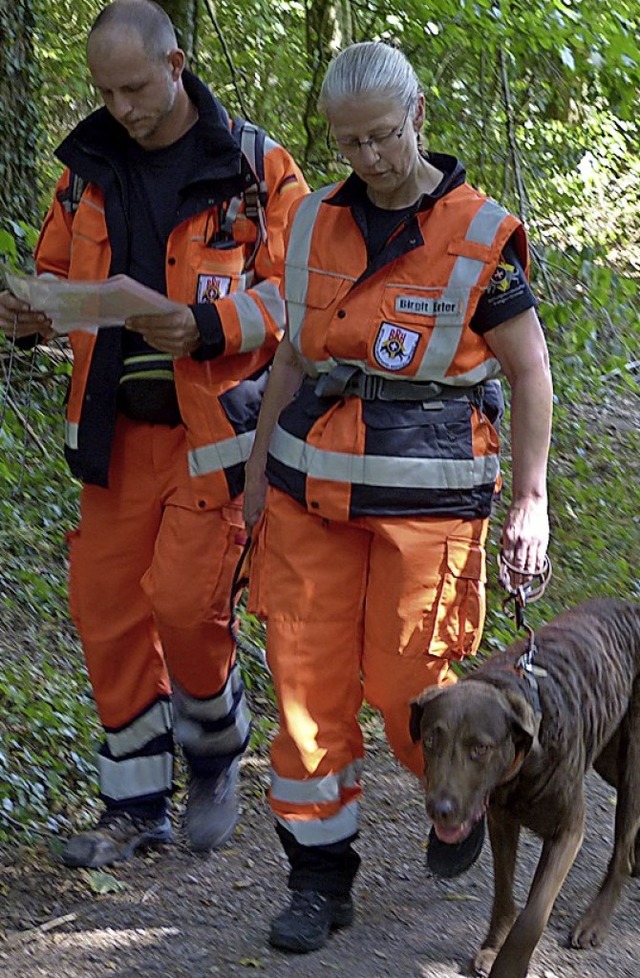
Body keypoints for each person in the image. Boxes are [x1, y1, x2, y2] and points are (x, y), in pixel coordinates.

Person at [242, 41, 552, 953]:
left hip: (429, 503)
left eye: (382, 135)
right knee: (306, 694)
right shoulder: (308, 225)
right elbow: (293, 354)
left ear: (417, 116)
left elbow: (530, 374)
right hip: (307, 492)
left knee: (413, 687)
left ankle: (454, 802)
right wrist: (258, 473)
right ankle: (319, 877)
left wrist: (531, 497)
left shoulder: (476, 235)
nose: (369, 157)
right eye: (349, 143)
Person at [0, 0, 307, 869]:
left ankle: (214, 746)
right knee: (105, 612)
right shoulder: (85, 166)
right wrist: (32, 313)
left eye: (134, 86)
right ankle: (134, 805)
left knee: (184, 602)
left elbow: (303, 297)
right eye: (105, 89)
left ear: (175, 66)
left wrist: (211, 328)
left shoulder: (253, 164)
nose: (121, 106)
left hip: (211, 434)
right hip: (112, 434)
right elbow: (58, 274)